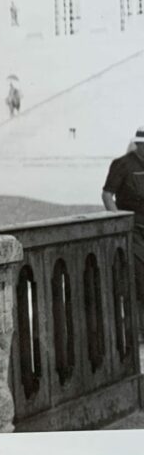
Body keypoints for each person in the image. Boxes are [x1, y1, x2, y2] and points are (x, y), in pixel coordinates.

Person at [102, 127, 144, 339]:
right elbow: (107, 194)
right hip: (133, 229)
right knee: (139, 275)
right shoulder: (122, 164)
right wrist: (118, 220)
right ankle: (136, 331)